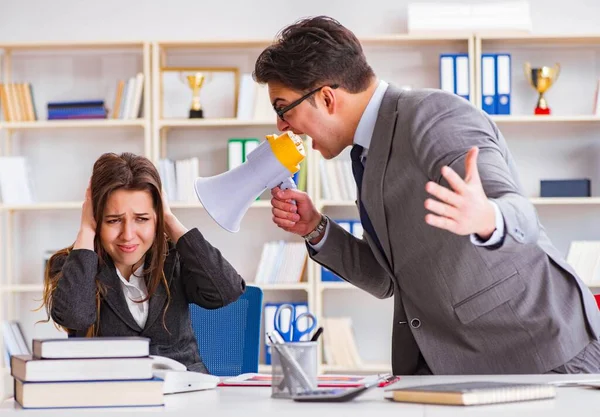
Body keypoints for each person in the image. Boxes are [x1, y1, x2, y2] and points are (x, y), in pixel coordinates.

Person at [254, 15, 600, 374]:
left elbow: (520, 215)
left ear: (326, 98)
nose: (281, 125)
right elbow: (387, 280)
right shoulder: (365, 153)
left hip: (540, 352)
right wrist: (315, 228)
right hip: (456, 364)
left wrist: (487, 218)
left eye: (282, 109)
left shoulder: (433, 116)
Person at [41, 152, 246, 373]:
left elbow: (227, 291)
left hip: (182, 393)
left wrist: (169, 220)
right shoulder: (73, 264)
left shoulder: (175, 257)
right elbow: (75, 317)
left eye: (142, 218)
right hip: (110, 395)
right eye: (113, 220)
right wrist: (86, 231)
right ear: (96, 218)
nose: (128, 235)